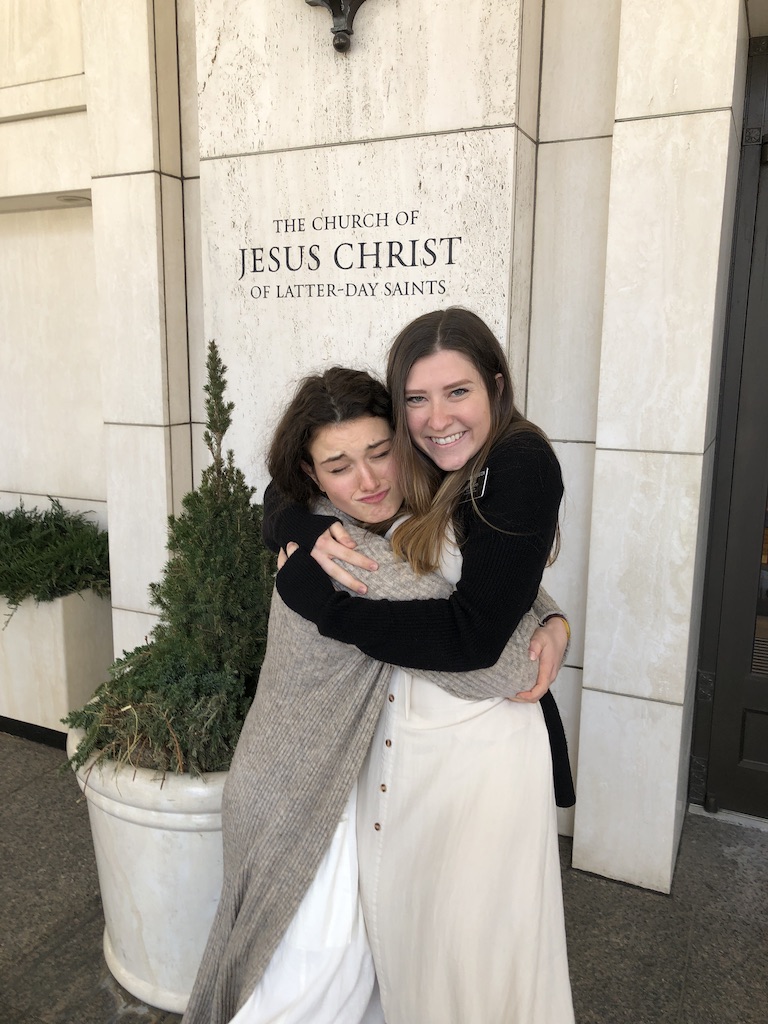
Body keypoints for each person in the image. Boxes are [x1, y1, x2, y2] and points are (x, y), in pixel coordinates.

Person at [182, 366, 569, 1024]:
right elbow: (501, 664)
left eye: (380, 453)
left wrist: (552, 616)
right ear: (311, 476)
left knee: (318, 983)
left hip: (302, 779)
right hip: (307, 798)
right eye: (339, 467)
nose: (368, 481)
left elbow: (489, 583)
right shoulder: (353, 554)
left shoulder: (379, 520)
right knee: (308, 992)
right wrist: (544, 632)